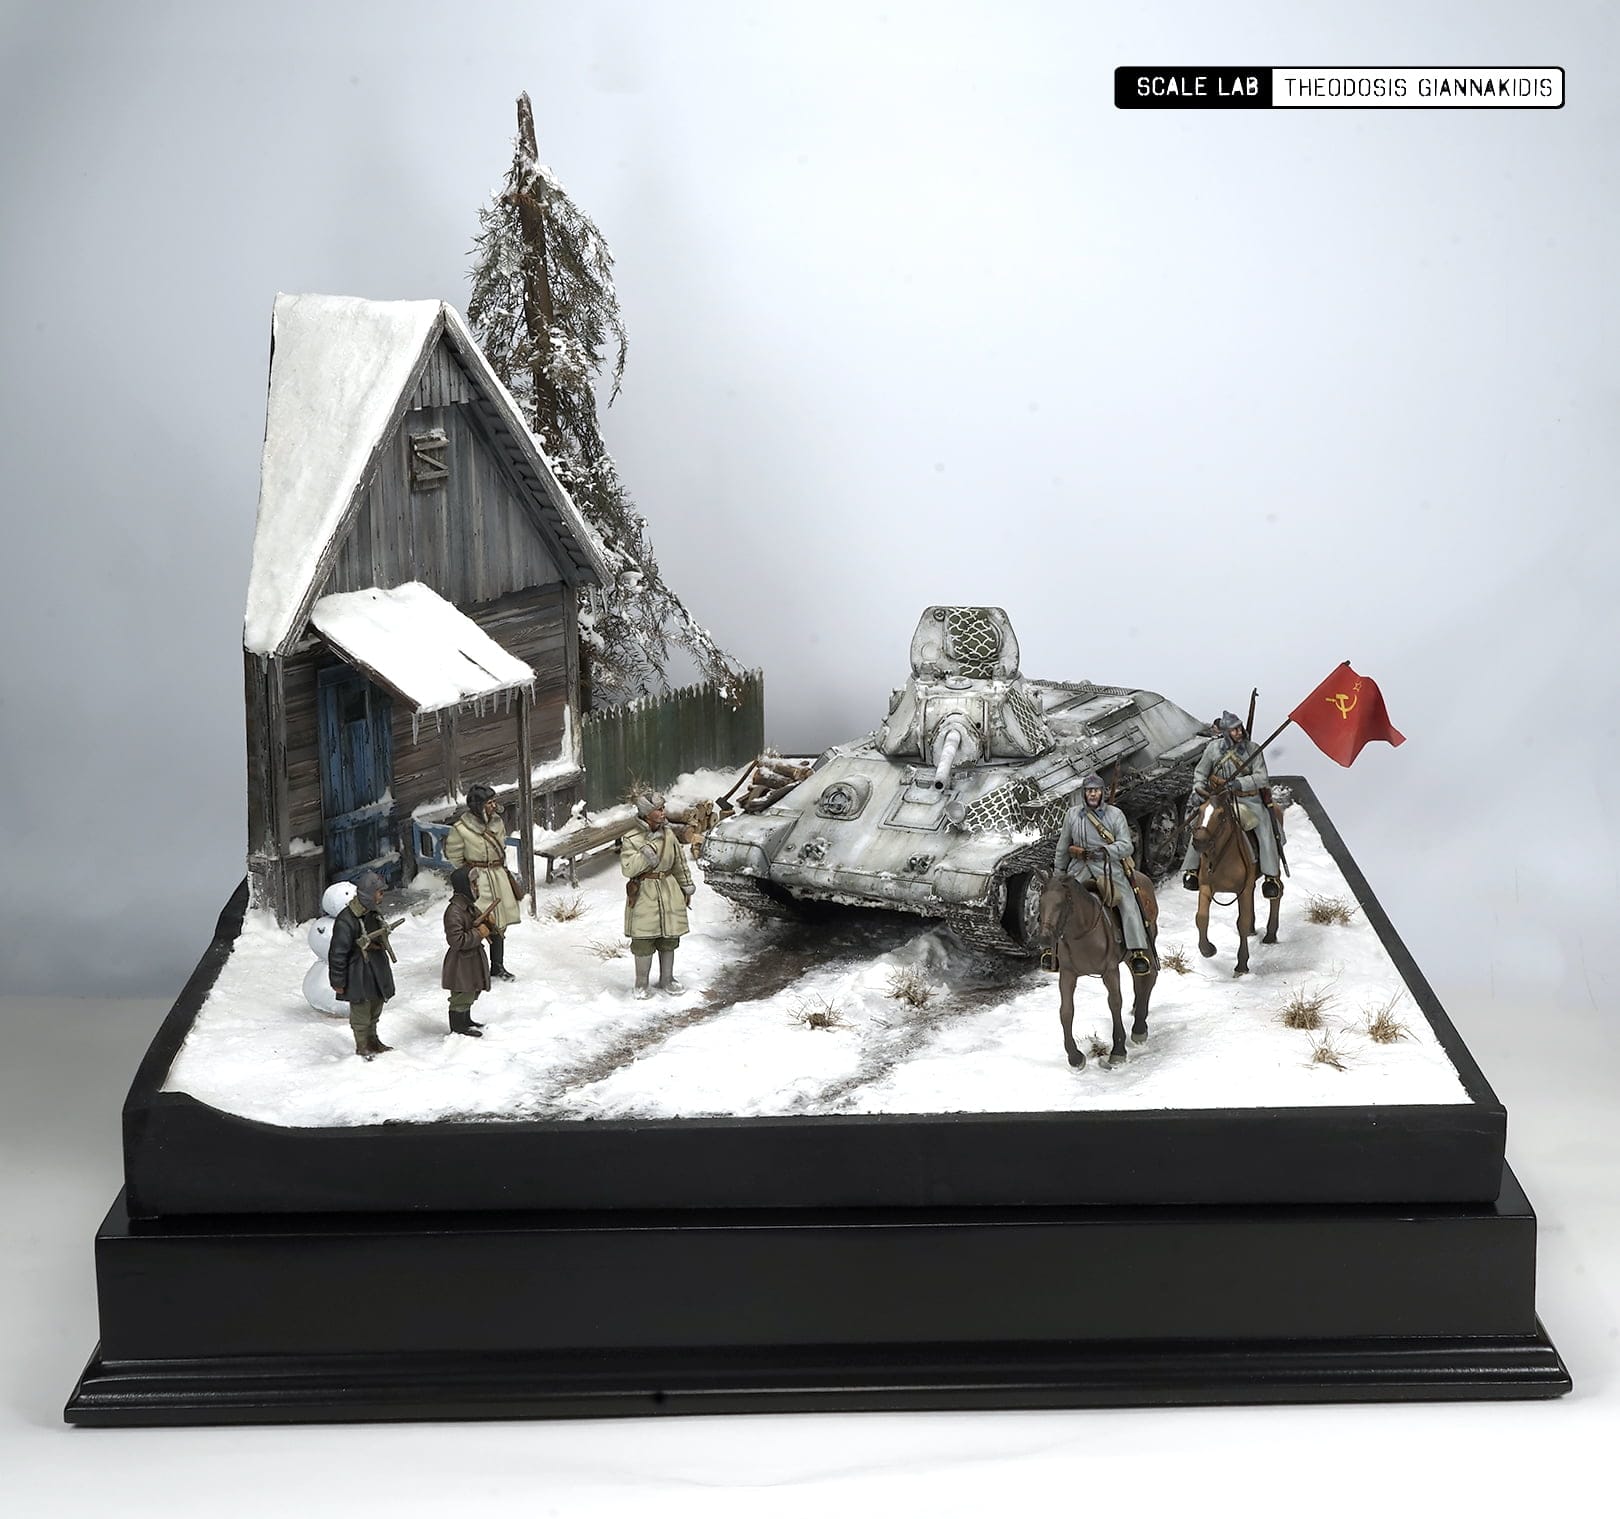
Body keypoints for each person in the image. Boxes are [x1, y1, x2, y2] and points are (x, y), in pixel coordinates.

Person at [1054, 773, 1154, 978]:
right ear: (1084, 793)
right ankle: (1052, 950)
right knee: (1057, 903)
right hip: (1079, 868)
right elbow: (1063, 847)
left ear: (1102, 792)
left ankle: (1137, 951)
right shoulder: (1072, 815)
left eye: (1096, 790)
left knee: (1128, 904)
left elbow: (1126, 845)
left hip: (1108, 868)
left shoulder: (1115, 815)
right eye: (1089, 791)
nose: (1092, 794)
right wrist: (1058, 874)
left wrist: (1106, 852)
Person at [1181, 710, 1282, 897]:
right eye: (1234, 730)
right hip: (1218, 798)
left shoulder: (1252, 749)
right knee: (1199, 824)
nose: (1239, 732)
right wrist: (1198, 788)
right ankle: (1192, 869)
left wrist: (1239, 783)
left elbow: (1261, 777)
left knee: (1264, 826)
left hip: (1247, 800)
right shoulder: (1213, 749)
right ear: (1226, 732)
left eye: (1239, 729)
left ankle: (1270, 876)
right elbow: (1201, 772)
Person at [619, 791, 695, 999]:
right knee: (643, 939)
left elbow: (679, 863)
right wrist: (648, 852)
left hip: (669, 889)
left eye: (663, 809)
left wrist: (686, 886)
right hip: (644, 892)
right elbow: (628, 868)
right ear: (647, 813)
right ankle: (641, 984)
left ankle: (667, 979)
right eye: (658, 810)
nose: (663, 813)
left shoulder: (669, 835)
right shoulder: (631, 838)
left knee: (669, 937)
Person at [444, 782, 522, 980]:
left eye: (494, 801)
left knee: (499, 923)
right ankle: (472, 966)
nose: (493, 806)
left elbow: (502, 846)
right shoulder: (461, 829)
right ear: (478, 806)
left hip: (498, 876)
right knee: (476, 921)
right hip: (477, 881)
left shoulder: (497, 822)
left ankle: (497, 966)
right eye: (489, 803)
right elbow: (454, 856)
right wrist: (472, 873)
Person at [327, 870, 398, 1059]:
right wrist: (338, 981)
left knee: (375, 1005)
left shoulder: (373, 914)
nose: (381, 896)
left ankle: (373, 1040)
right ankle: (362, 1044)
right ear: (369, 894)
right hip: (358, 971)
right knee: (361, 1011)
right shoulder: (346, 920)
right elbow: (338, 953)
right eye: (379, 892)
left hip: (375, 968)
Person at [442, 865, 491, 1038]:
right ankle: (458, 1026)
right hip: (461, 962)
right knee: (461, 994)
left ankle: (466, 1020)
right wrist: (478, 933)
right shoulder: (454, 911)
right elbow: (456, 940)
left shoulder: (468, 907)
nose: (476, 887)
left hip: (471, 959)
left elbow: (478, 923)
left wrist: (488, 923)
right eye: (473, 884)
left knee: (470, 991)